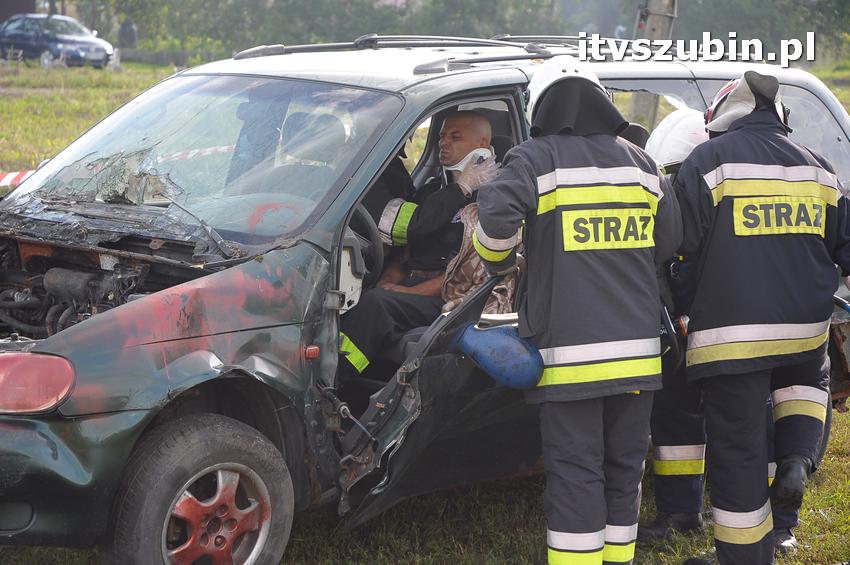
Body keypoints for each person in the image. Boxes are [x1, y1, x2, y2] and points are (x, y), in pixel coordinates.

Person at [474, 61, 681, 565]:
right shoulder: (641, 163)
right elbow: (669, 243)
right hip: (638, 355)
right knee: (624, 469)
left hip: (570, 357)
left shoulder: (537, 158)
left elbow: (496, 219)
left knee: (576, 472)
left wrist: (500, 260)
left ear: (542, 108)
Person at [676, 71, 850, 565]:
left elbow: (680, 250)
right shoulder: (818, 167)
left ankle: (743, 557)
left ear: (721, 119)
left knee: (739, 450)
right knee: (805, 386)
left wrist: (685, 305)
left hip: (731, 337)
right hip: (805, 330)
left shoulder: (707, 162)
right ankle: (796, 460)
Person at [639, 110, 805, 557]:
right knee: (675, 409)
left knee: (755, 427)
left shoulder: (731, 189)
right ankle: (680, 511)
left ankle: (777, 526)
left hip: (739, 336)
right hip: (692, 328)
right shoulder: (685, 191)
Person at [338, 111, 496, 382]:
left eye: (455, 136)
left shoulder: (492, 200)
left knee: (375, 304)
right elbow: (407, 247)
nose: (443, 142)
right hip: (413, 287)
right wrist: (389, 279)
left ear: (482, 144)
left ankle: (338, 377)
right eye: (442, 136)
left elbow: (462, 274)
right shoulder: (432, 193)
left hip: (450, 297)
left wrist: (403, 291)